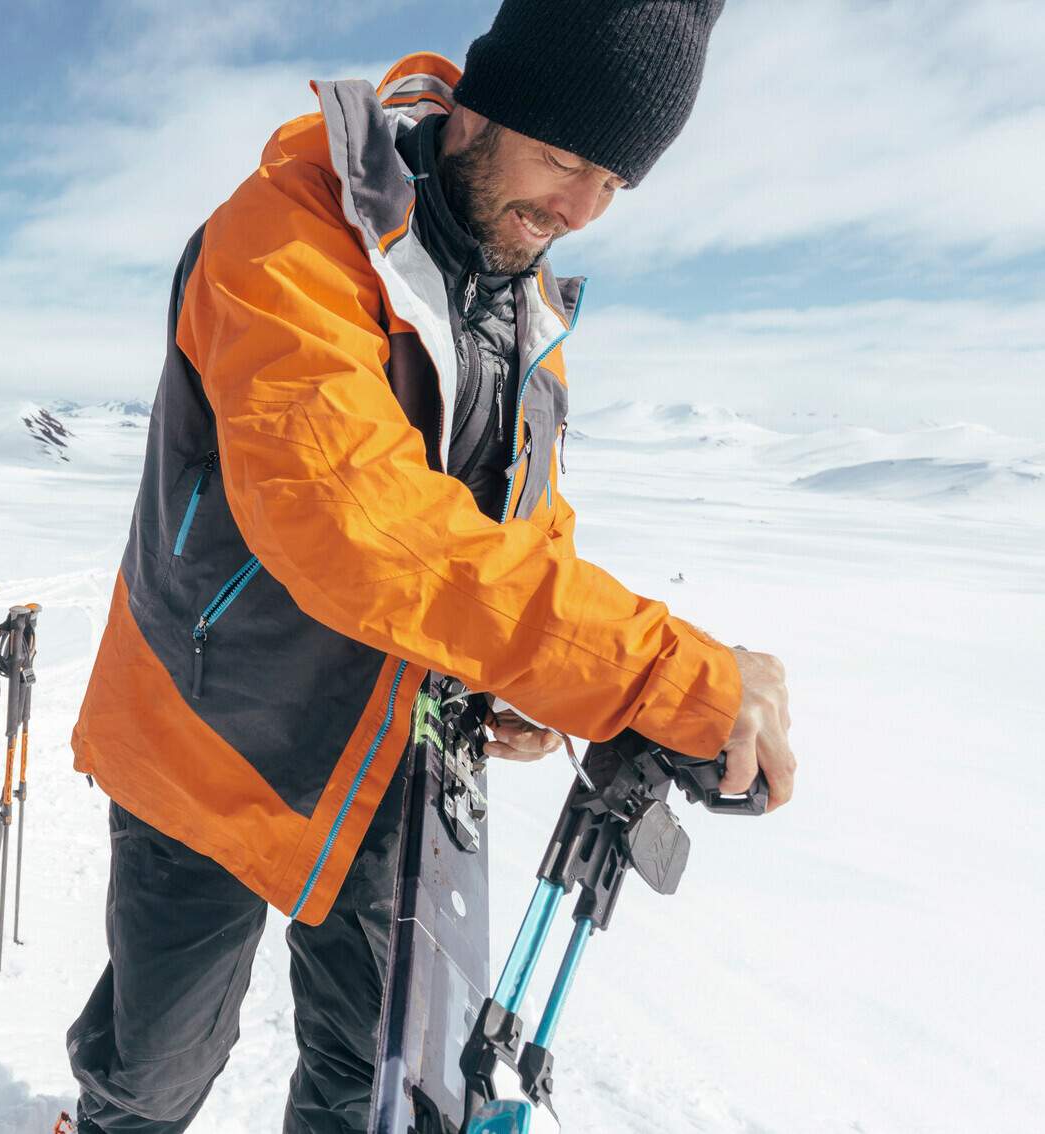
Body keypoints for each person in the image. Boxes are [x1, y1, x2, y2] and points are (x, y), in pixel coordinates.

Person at [65, 2, 795, 1131]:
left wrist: (529, 678)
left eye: (615, 183)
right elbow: (351, 522)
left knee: (382, 1084)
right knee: (151, 1069)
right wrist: (650, 670)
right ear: (473, 112)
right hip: (203, 734)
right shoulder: (285, 235)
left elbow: (523, 519)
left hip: (389, 756)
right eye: (563, 157)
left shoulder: (525, 298)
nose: (579, 211)